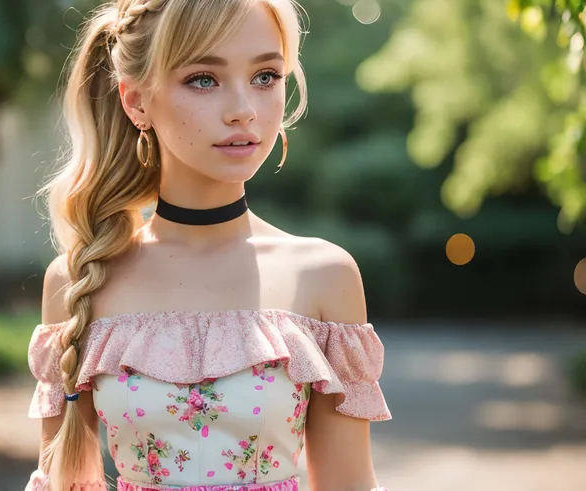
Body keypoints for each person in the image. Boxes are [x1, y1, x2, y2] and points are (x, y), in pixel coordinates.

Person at [25, 0, 392, 490]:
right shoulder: (80, 279)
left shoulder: (323, 275)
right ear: (136, 102)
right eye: (204, 79)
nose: (244, 110)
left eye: (266, 76)